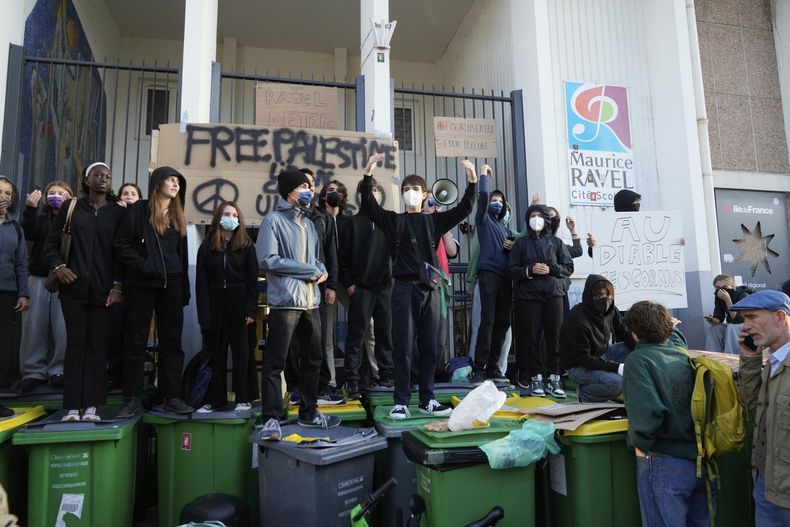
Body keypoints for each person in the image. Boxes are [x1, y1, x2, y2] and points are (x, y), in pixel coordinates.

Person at [360, 153, 477, 420]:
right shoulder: (393, 220)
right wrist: (367, 175)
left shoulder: (434, 221)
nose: (410, 193)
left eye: (415, 189)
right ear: (401, 196)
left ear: (425, 194)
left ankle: (428, 399)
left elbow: (464, 209)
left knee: (429, 346)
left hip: (430, 290)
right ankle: (401, 400)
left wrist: (472, 182)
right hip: (402, 288)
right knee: (402, 345)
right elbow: (369, 206)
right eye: (406, 190)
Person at [258, 170, 340, 440]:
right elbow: (268, 260)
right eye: (303, 186)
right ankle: (271, 418)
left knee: (314, 359)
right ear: (289, 191)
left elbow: (316, 259)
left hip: (311, 303)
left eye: (310, 186)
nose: (309, 190)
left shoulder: (308, 222)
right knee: (275, 362)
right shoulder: (273, 220)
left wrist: (322, 270)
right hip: (285, 303)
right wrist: (308, 270)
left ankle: (309, 412)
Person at [44, 163, 125, 421]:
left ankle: (92, 406)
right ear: (86, 179)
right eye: (98, 175)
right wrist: (59, 267)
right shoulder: (70, 208)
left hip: (104, 292)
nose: (103, 179)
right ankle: (71, 407)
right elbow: (50, 244)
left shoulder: (117, 213)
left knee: (98, 347)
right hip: (73, 290)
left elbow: (121, 254)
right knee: (75, 344)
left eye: (108, 177)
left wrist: (117, 287)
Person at [622, 301, 711, 527]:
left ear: (633, 332)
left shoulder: (638, 360)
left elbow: (648, 413)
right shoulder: (681, 353)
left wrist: (639, 448)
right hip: (701, 460)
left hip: (664, 460)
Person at [114, 166, 193, 417]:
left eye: (178, 181)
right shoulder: (139, 210)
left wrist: (184, 290)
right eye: (170, 180)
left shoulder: (178, 215)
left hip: (172, 284)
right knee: (136, 341)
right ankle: (132, 398)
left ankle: (172, 395)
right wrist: (144, 265)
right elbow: (121, 244)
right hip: (142, 283)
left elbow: (182, 256)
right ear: (157, 183)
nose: (175, 184)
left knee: (172, 342)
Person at [731, 290, 790, 525]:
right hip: (767, 484)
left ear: (780, 317)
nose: (746, 326)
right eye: (744, 319)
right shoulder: (774, 361)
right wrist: (750, 358)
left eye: (753, 317)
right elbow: (752, 401)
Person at [195, 201, 259, 412]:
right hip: (215, 305)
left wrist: (251, 309)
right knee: (216, 354)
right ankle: (215, 400)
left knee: (243, 354)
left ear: (239, 218)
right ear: (218, 218)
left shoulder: (247, 246)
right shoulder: (207, 246)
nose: (230, 217)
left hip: (240, 305)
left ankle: (243, 397)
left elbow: (252, 280)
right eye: (226, 214)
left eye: (233, 214)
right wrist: (204, 315)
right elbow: (201, 283)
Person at [338, 177, 394, 399]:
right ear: (359, 196)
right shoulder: (350, 223)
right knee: (355, 336)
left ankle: (387, 376)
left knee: (384, 335)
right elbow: (341, 258)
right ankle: (351, 380)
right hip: (361, 288)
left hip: (385, 288)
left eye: (375, 190)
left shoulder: (388, 221)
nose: (371, 195)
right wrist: (350, 284)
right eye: (367, 192)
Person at [508, 204, 573, 397]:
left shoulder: (557, 242)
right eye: (532, 215)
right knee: (531, 337)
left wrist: (552, 269)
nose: (536, 219)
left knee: (555, 337)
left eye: (540, 216)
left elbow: (568, 267)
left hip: (554, 294)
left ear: (547, 219)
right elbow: (512, 269)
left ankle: (554, 377)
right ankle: (535, 377)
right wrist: (529, 270)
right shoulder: (520, 244)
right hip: (528, 297)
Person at [17, 180, 72, 392]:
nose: (56, 196)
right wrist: (30, 209)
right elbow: (28, 234)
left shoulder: (74, 219)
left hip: (64, 279)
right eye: (52, 193)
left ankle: (59, 369)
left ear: (69, 196)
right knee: (33, 327)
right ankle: (32, 371)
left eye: (61, 192)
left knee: (63, 328)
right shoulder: (40, 219)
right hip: (38, 277)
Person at [559, 275, 635, 402]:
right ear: (590, 296)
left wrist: (642, 348)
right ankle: (586, 393)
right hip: (578, 366)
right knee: (617, 383)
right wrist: (616, 367)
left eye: (607, 295)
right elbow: (584, 359)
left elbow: (624, 332)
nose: (604, 300)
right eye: (599, 296)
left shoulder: (611, 310)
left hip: (602, 353)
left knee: (633, 351)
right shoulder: (577, 320)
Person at [470, 164, 512, 384]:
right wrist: (484, 174)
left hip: (506, 279)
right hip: (489, 275)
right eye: (494, 200)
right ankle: (479, 367)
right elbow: (483, 196)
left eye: (500, 201)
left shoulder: (507, 230)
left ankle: (494, 367)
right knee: (487, 321)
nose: (496, 203)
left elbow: (521, 241)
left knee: (503, 323)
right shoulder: (483, 221)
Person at [107, 182, 142, 389]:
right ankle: (114, 373)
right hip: (115, 283)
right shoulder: (113, 217)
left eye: (133, 193)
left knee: (134, 334)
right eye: (125, 193)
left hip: (137, 284)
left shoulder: (143, 218)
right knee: (115, 331)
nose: (129, 196)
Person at [421, 192, 459, 370]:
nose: (432, 204)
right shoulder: (416, 221)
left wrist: (441, 223)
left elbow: (452, 251)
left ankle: (435, 370)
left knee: (439, 330)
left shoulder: (442, 224)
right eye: (429, 200)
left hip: (440, 284)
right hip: (422, 281)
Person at [0, 176, 29, 389]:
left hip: (8, 294)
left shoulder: (16, 229)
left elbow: (21, 264)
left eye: (7, 193)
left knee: (5, 347)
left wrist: (23, 293)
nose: (3, 197)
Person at [704, 274, 750, 354]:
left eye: (725, 287)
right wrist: (715, 320)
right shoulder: (719, 296)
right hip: (733, 324)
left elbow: (737, 319)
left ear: (732, 286)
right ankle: (713, 357)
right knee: (714, 329)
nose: (721, 290)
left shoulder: (743, 295)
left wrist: (728, 300)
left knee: (731, 327)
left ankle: (730, 357)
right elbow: (719, 316)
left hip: (748, 325)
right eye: (718, 288)